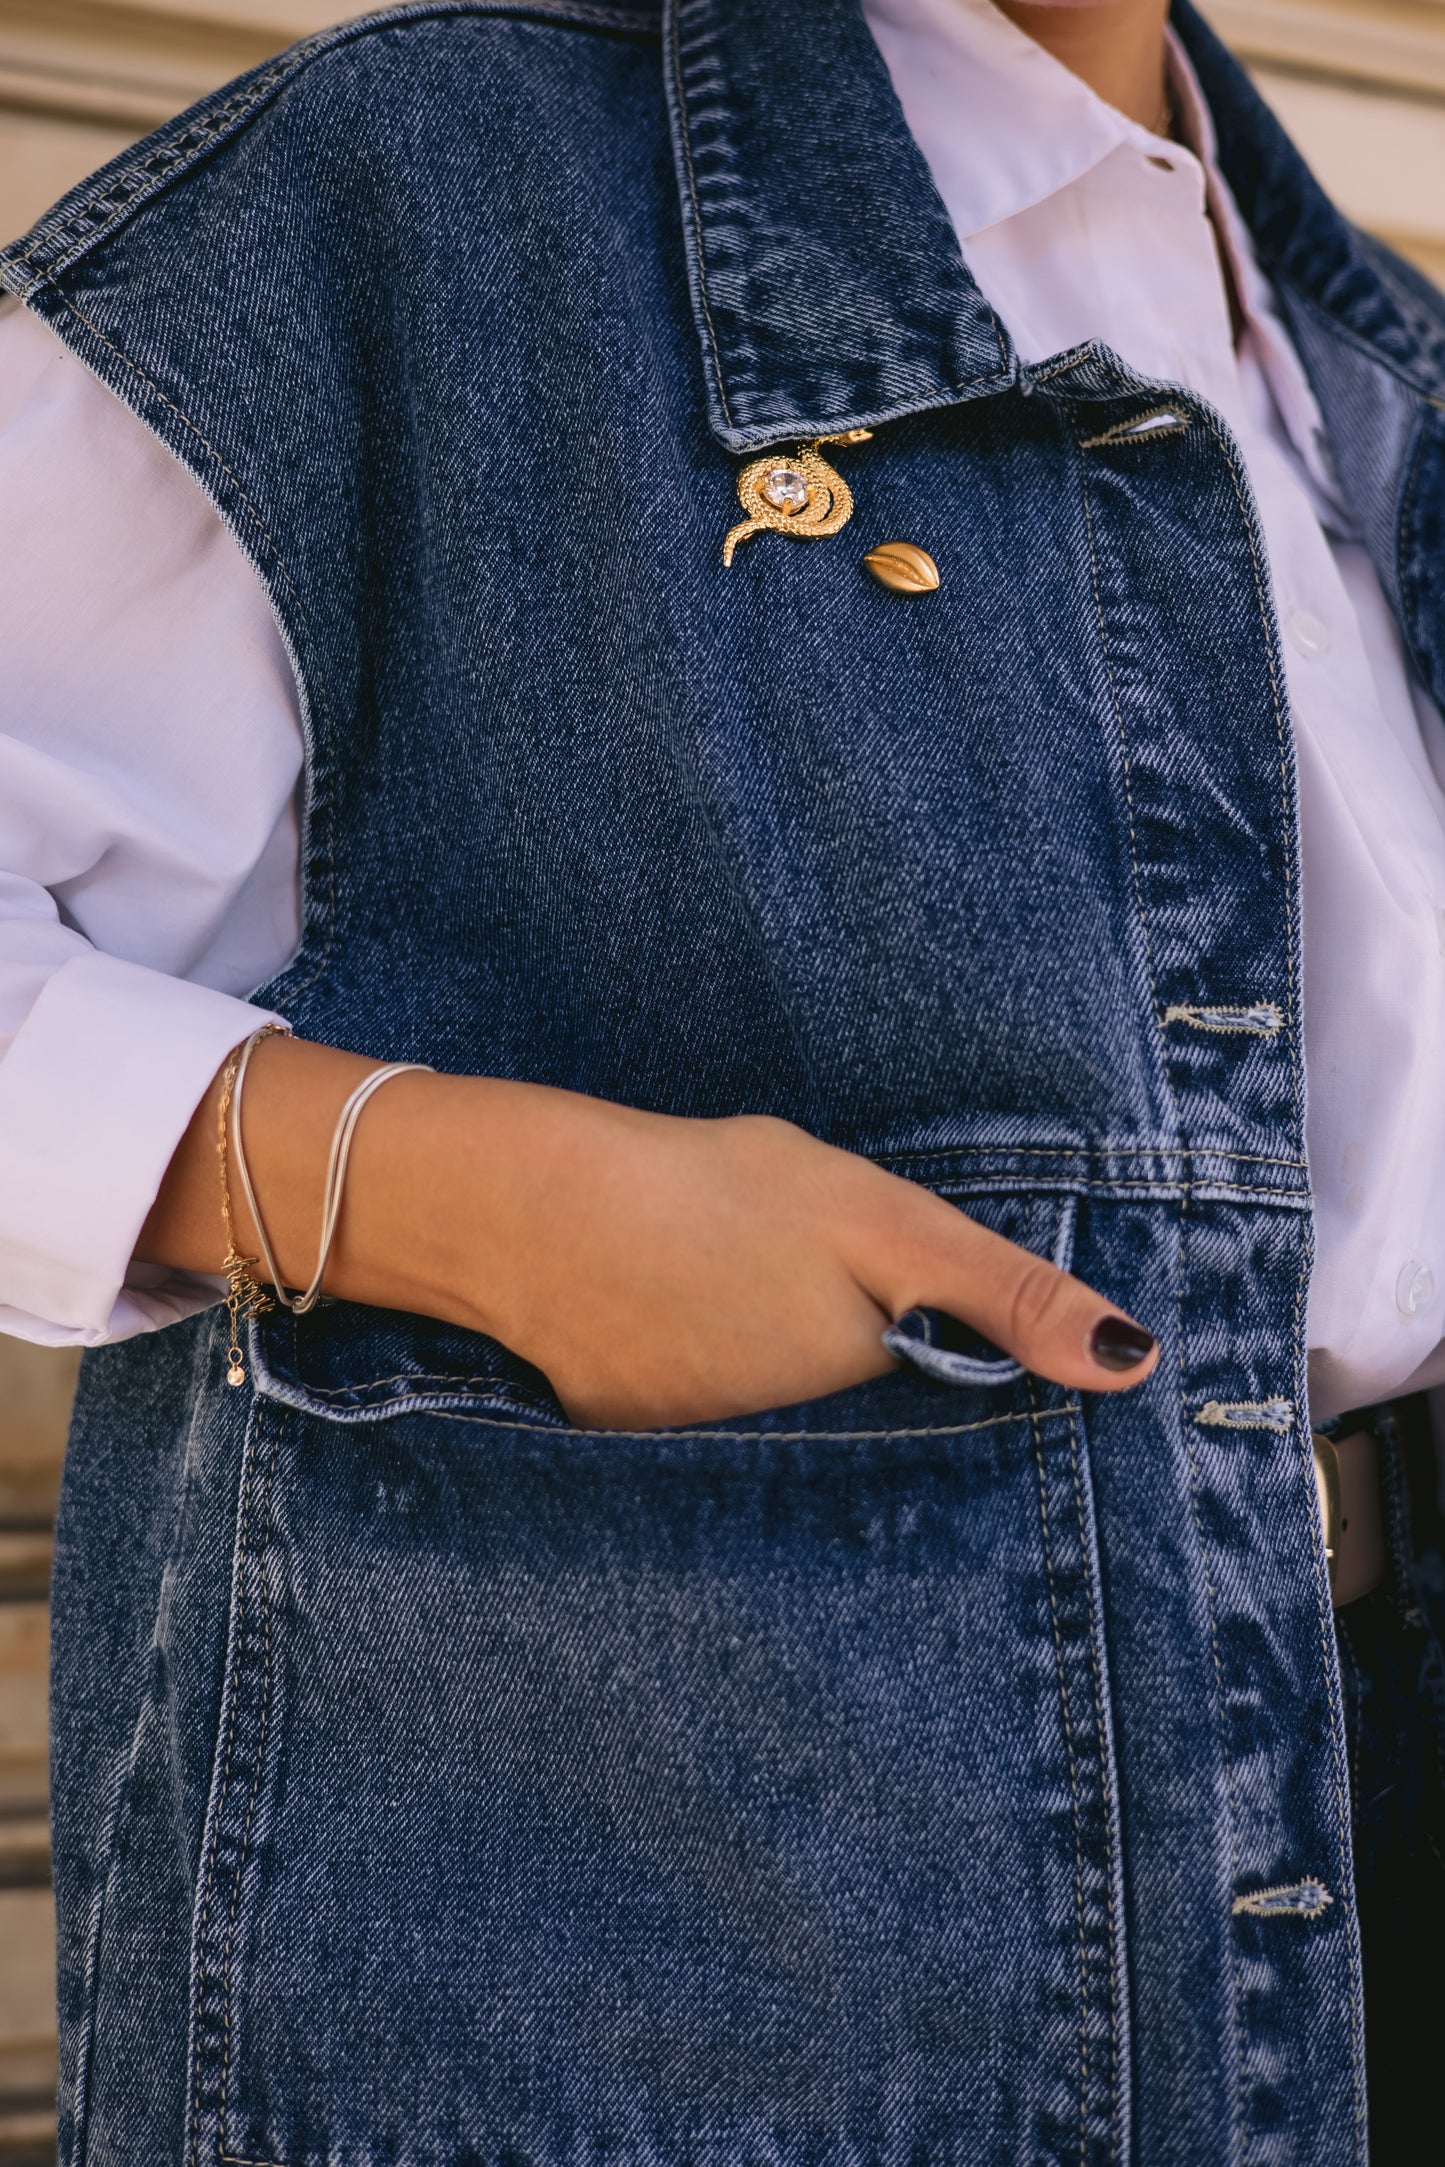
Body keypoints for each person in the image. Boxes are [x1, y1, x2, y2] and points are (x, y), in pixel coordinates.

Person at [1, 0, 1442, 2156]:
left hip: (1350, 1869)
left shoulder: (1382, 361)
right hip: (691, 1990)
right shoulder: (402, 200)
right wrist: (467, 1196)